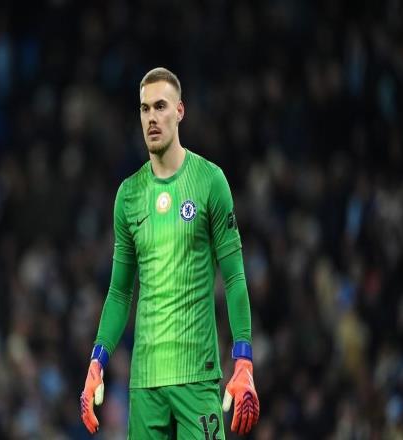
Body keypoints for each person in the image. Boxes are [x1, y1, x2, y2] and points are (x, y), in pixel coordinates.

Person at [80, 67, 259, 438]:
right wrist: (97, 360)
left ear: (180, 111)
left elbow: (235, 276)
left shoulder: (210, 181)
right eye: (144, 109)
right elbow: (119, 292)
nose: (151, 117)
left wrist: (243, 359)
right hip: (145, 384)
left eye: (160, 106)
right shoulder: (128, 195)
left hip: (197, 377)